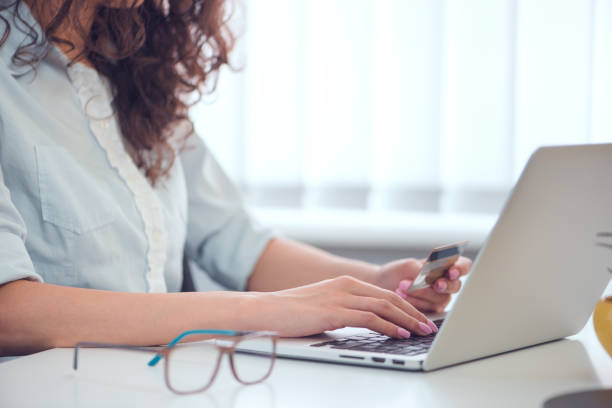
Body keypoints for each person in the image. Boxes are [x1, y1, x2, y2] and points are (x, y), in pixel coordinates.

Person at [0, 0, 471, 357]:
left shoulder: (135, 77)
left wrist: (377, 288)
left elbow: (239, 244)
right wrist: (267, 310)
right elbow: (9, 311)